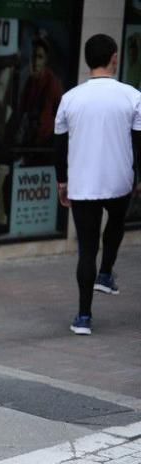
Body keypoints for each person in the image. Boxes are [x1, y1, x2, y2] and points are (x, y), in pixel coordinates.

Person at [55, 34, 141, 335]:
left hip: (82, 183)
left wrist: (62, 182)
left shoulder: (70, 99)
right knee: (116, 223)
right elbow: (139, 142)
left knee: (86, 249)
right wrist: (137, 176)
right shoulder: (132, 96)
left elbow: (60, 146)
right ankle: (106, 274)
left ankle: (83, 317)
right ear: (114, 58)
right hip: (120, 180)